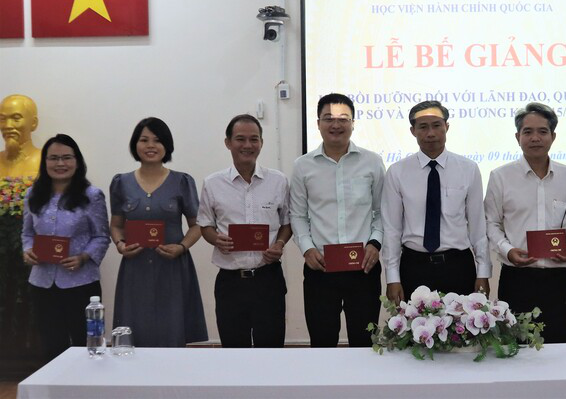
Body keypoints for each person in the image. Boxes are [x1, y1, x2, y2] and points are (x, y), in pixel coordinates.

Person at [290, 93, 384, 347]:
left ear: (353, 123)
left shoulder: (372, 162)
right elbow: (297, 214)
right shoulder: (303, 166)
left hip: (363, 267)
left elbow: (381, 212)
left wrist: (375, 243)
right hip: (320, 268)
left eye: (343, 119)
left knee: (364, 343)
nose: (336, 125)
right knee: (322, 342)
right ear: (318, 123)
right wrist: (307, 249)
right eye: (328, 118)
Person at [484, 103, 566, 343]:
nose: (535, 138)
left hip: (558, 279)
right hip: (517, 279)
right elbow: (491, 223)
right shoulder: (500, 176)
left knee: (558, 349)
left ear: (553, 136)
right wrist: (508, 250)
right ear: (518, 137)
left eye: (542, 131)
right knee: (516, 351)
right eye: (528, 132)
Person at [109, 117, 208, 347]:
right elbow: (116, 225)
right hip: (135, 268)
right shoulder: (121, 182)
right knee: (134, 332)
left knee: (172, 330)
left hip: (172, 268)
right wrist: (120, 244)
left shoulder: (182, 181)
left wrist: (182, 247)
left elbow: (197, 225)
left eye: (157, 140)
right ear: (135, 144)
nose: (150, 145)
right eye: (144, 140)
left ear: (167, 146)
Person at [382, 100, 491, 304]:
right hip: (414, 265)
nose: (430, 133)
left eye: (436, 125)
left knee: (462, 324)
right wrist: (392, 277)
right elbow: (392, 229)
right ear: (413, 131)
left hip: (458, 265)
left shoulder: (468, 169)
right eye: (423, 127)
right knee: (412, 324)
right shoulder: (397, 172)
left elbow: (478, 225)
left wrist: (483, 271)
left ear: (446, 127)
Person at [197, 114, 292, 348]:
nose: (247, 145)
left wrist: (279, 244)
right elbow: (205, 225)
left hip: (268, 279)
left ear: (261, 142)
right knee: (233, 350)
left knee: (271, 349)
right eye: (240, 139)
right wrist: (216, 239)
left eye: (254, 139)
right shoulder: (213, 183)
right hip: (231, 282)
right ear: (228, 142)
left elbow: (287, 223)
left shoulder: (278, 181)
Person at [21, 134, 110, 361]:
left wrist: (83, 257)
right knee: (50, 343)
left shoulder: (92, 195)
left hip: (80, 282)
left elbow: (101, 236)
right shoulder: (33, 194)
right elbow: (27, 232)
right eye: (53, 158)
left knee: (85, 343)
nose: (60, 163)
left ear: (77, 161)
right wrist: (28, 250)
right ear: (45, 162)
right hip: (42, 282)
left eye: (67, 158)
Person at [0, 94, 41, 177]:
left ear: (33, 123)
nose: (7, 125)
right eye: (2, 119)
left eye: (16, 118)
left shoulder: (45, 160)